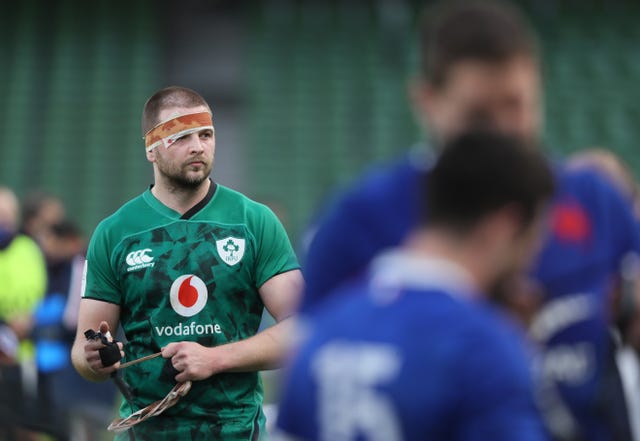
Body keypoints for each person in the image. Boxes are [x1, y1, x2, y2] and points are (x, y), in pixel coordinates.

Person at [300, 2, 640, 440]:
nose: (501, 134)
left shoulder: (592, 199)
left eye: (516, 106)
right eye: (478, 116)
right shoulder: (361, 218)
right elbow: (312, 378)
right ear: (427, 101)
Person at [277, 131, 555, 440]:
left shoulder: (324, 330)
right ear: (505, 226)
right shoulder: (485, 350)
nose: (535, 256)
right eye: (536, 237)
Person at [71, 86, 304, 440]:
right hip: (145, 433)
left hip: (236, 432)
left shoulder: (254, 221)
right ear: (151, 147)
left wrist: (214, 359)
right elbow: (82, 352)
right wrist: (93, 360)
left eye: (206, 134)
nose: (198, 146)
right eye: (181, 137)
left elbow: (303, 328)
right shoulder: (114, 233)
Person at [0, 186, 47, 440]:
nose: (3, 220)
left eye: (7, 215)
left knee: (22, 425)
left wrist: (24, 321)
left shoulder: (27, 248)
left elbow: (38, 291)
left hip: (22, 353)